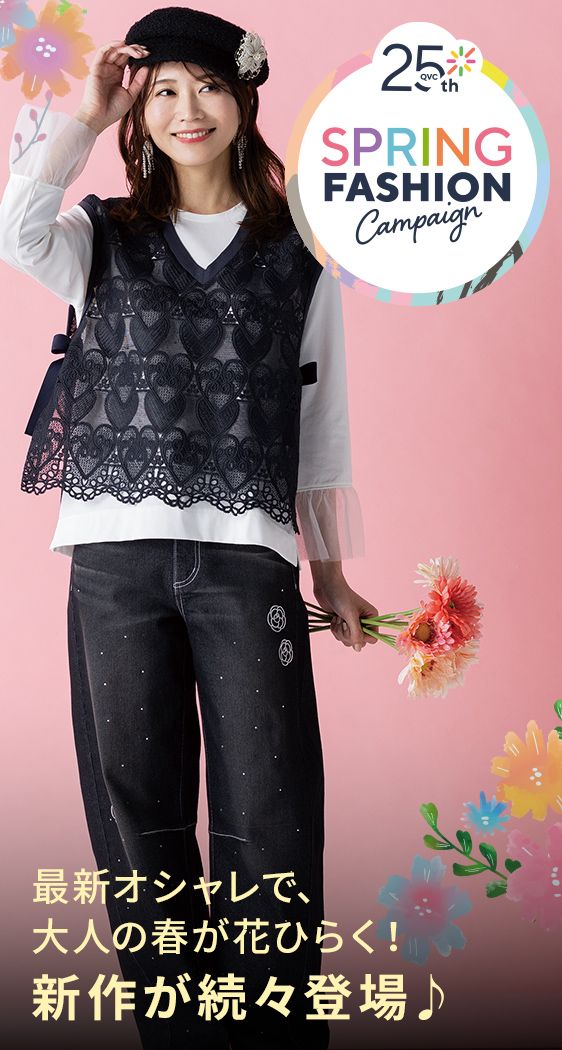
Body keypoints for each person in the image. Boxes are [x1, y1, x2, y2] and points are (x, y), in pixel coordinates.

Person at [0, 6, 379, 1048]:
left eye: (206, 85)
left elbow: (320, 423)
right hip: (113, 566)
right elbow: (14, 229)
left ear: (243, 99)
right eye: (162, 90)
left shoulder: (300, 254)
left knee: (271, 813)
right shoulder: (102, 237)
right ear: (139, 111)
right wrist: (85, 118)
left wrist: (332, 572)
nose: (186, 109)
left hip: (246, 564)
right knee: (139, 815)